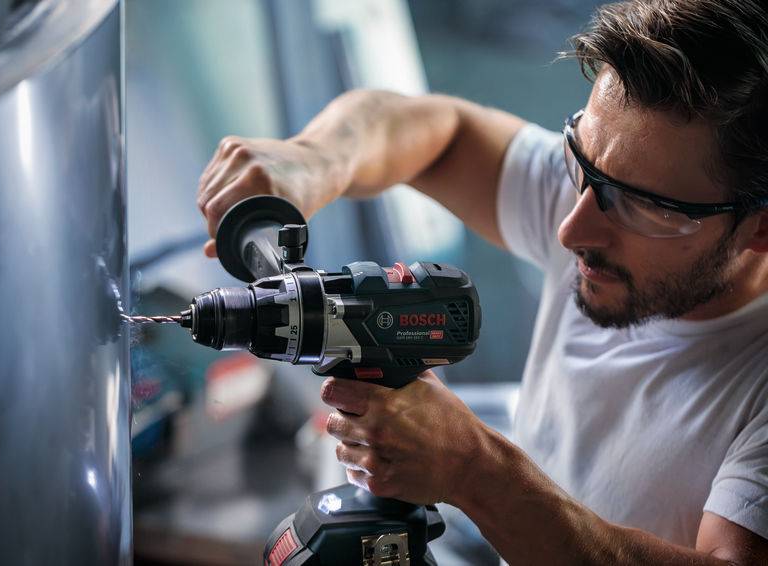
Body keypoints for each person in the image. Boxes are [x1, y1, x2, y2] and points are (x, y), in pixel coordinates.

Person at [196, 1, 768, 563]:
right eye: (581, 161)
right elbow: (440, 133)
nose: (571, 229)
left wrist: (476, 470)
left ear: (759, 226)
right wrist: (315, 158)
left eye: (643, 206)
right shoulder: (603, 185)